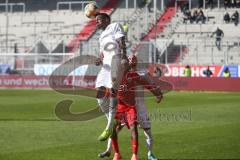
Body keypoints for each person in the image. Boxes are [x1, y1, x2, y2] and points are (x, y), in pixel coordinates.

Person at [98, 55, 161, 160]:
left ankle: (149, 153)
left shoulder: (139, 74)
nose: (130, 63)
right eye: (128, 62)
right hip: (122, 107)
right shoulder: (118, 75)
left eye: (131, 61)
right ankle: (111, 151)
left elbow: (148, 84)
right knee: (114, 128)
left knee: (146, 131)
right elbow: (110, 83)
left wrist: (157, 93)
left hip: (138, 108)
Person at [95, 13, 128, 141]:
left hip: (116, 59)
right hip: (106, 65)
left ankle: (109, 126)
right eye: (96, 20)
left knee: (113, 92)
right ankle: (112, 120)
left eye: (99, 20)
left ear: (107, 20)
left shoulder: (114, 26)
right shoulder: (101, 36)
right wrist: (99, 59)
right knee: (99, 95)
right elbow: (102, 53)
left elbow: (121, 40)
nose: (97, 22)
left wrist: (124, 55)